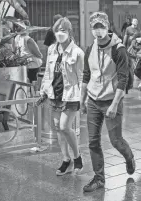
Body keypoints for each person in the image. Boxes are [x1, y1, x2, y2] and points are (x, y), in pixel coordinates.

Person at [80, 11, 135, 192]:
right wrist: (82, 99)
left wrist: (114, 104)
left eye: (101, 26)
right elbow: (86, 75)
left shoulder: (118, 49)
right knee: (93, 142)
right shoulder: (90, 49)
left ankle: (129, 157)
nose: (98, 31)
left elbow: (123, 78)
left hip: (112, 100)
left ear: (107, 27)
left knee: (116, 140)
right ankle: (99, 178)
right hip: (93, 101)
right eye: (95, 27)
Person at [38, 17, 84, 175]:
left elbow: (81, 78)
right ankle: (66, 159)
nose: (59, 33)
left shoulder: (77, 52)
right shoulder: (51, 49)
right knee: (58, 127)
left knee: (65, 126)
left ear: (70, 32)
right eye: (57, 30)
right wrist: (43, 90)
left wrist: (82, 99)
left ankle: (77, 157)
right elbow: (47, 73)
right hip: (54, 93)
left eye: (63, 30)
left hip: (70, 95)